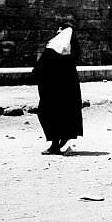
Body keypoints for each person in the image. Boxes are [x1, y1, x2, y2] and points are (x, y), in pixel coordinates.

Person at [32, 24, 83, 155]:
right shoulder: (70, 48)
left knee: (47, 113)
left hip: (53, 88)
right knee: (62, 113)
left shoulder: (54, 47)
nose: (57, 31)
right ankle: (61, 139)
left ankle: (55, 145)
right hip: (66, 89)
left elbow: (41, 66)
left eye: (60, 29)